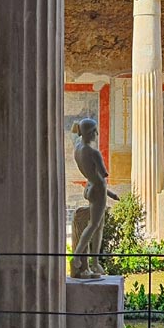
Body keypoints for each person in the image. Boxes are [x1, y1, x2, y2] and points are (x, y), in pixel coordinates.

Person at [71, 118, 118, 279]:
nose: (97, 134)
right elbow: (103, 174)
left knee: (98, 226)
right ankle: (77, 257)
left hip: (90, 187)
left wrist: (110, 194)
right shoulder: (93, 152)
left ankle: (94, 263)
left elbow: (93, 176)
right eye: (95, 131)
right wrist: (107, 191)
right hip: (98, 189)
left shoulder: (78, 148)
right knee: (94, 225)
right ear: (90, 133)